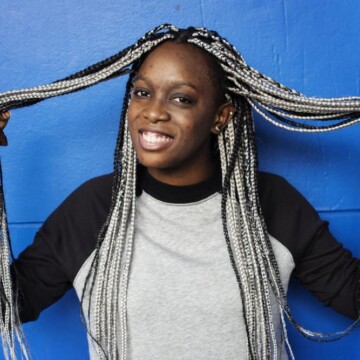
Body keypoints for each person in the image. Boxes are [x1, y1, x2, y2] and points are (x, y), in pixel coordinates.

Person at [0, 25, 359, 360]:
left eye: (181, 99)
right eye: (143, 92)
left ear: (220, 117)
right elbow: (9, 305)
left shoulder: (268, 202)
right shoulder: (93, 209)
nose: (154, 112)